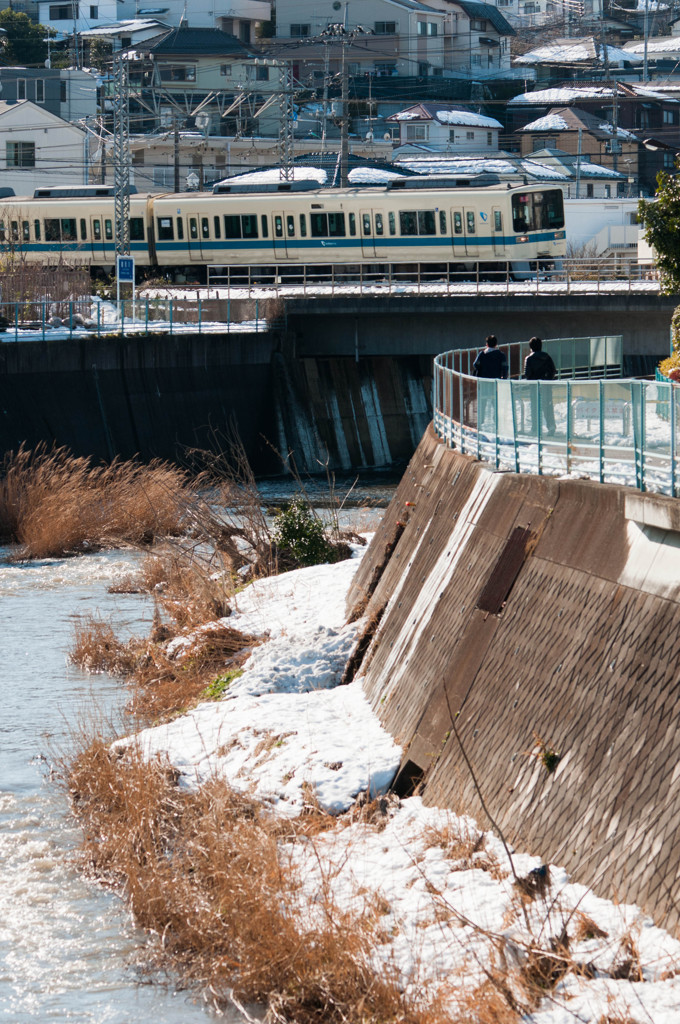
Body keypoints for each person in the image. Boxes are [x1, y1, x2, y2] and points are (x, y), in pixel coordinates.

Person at [473, 335, 508, 428]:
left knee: (482, 402)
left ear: (486, 344)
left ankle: (480, 422)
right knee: (495, 402)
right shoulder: (501, 355)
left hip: (483, 381)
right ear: (496, 344)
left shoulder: (482, 354)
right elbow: (505, 368)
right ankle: (497, 421)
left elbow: (475, 364)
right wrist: (504, 379)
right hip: (496, 382)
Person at [524, 336, 556, 434]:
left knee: (535, 408)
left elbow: (527, 374)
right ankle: (551, 427)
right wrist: (547, 379)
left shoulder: (529, 358)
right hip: (546, 386)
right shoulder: (547, 357)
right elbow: (553, 370)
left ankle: (535, 428)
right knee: (548, 406)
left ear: (531, 347)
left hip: (534, 387)